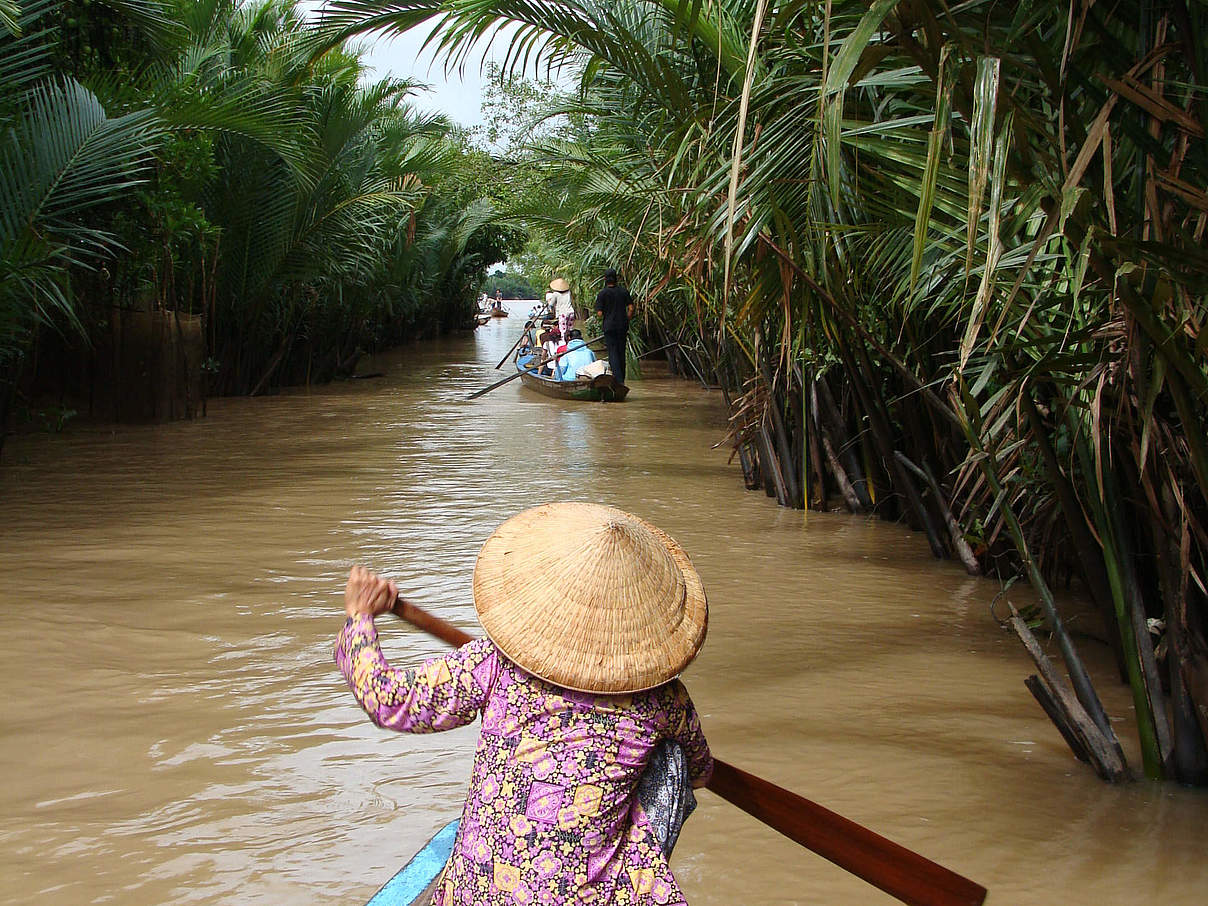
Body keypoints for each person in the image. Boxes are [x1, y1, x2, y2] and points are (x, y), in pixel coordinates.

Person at [335, 502, 712, 906]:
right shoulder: (665, 699)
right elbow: (701, 772)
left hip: (476, 892)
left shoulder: (493, 663)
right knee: (672, 757)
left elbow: (388, 701)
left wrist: (359, 618)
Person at [594, 268, 634, 384]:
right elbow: (631, 308)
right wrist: (627, 319)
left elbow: (599, 313)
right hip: (622, 326)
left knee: (613, 353)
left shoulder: (603, 293)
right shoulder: (623, 291)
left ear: (605, 279)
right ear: (616, 278)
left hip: (609, 326)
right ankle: (622, 380)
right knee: (621, 352)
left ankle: (618, 381)